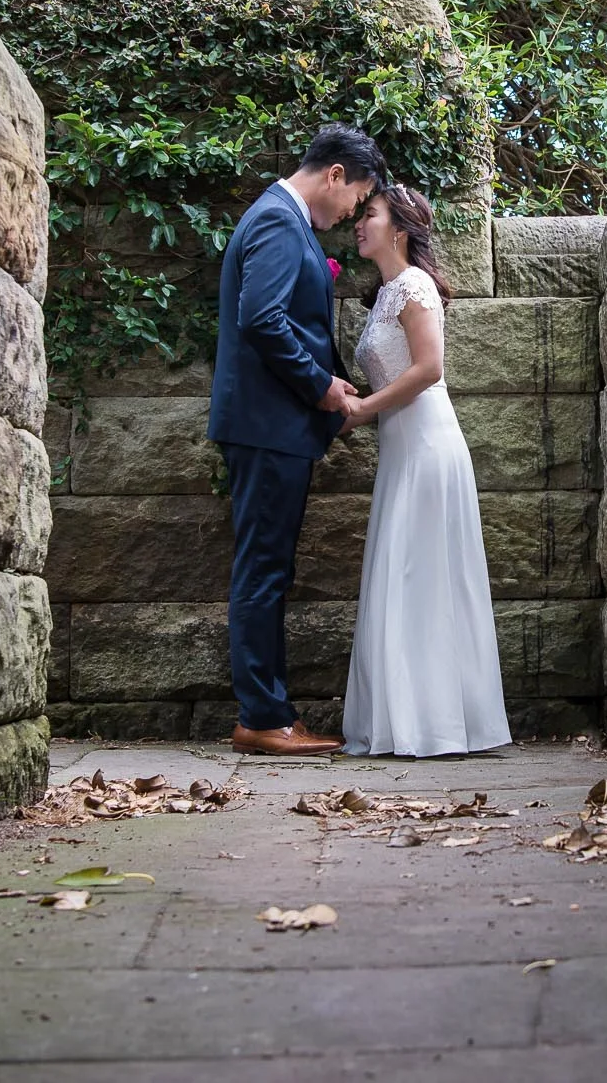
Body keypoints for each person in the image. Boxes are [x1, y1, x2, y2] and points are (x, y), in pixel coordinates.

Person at [208, 124, 383, 756]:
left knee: (269, 568)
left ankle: (272, 711)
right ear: (335, 175)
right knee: (263, 569)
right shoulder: (280, 221)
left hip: (271, 428)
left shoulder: (280, 218)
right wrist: (320, 386)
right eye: (357, 198)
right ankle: (261, 717)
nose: (353, 213)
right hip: (267, 427)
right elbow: (262, 319)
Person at [337, 185, 512, 757]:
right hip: (401, 447)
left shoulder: (414, 285)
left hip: (428, 445)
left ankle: (437, 725)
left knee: (424, 576)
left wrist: (365, 407)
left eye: (370, 214)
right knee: (404, 575)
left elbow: (430, 368)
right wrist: (350, 406)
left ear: (399, 229)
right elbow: (394, 375)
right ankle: (406, 719)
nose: (359, 222)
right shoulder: (388, 293)